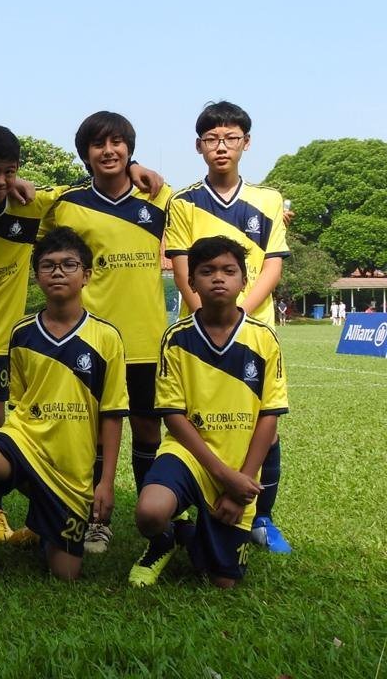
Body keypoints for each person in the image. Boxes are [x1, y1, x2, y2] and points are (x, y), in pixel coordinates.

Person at [0, 123, 162, 543]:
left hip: (3, 343)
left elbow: (90, 185)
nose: (0, 181)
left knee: (7, 430)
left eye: (9, 172)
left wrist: (132, 165)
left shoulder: (33, 204)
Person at [0, 228, 127, 607]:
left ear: (86, 275)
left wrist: (105, 482)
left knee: (66, 572)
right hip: (25, 441)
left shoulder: (107, 337)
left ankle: (41, 525)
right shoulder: (22, 332)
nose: (57, 272)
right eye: (48, 265)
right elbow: (19, 400)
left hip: (70, 468)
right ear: (37, 275)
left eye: (69, 264)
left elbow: (112, 413)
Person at [40, 112, 171, 555]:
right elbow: (30, 215)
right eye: (99, 144)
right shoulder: (67, 203)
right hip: (92, 341)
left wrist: (138, 170)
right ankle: (97, 519)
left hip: (146, 338)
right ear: (85, 154)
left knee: (148, 428)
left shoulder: (159, 196)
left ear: (130, 149)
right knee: (95, 431)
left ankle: (150, 515)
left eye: (118, 143)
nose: (109, 151)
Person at [165, 101, 292, 554]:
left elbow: (273, 264)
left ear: (246, 143)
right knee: (196, 421)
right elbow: (182, 267)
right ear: (199, 146)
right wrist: (209, 313)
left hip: (254, 329)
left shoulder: (269, 200)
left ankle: (263, 518)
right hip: (199, 332)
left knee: (264, 426)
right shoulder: (183, 202)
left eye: (231, 138)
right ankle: (187, 510)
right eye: (212, 139)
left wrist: (240, 312)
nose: (222, 146)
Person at [130, 236, 289, 588]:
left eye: (228, 270)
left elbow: (270, 415)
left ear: (243, 280)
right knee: (150, 512)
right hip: (189, 455)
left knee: (221, 582)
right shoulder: (176, 338)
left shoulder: (263, 338)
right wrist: (222, 475)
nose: (218, 277)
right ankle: (166, 536)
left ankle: (193, 534)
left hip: (239, 462)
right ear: (191, 282)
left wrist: (240, 482)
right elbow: (173, 416)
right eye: (207, 271)